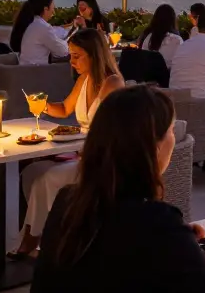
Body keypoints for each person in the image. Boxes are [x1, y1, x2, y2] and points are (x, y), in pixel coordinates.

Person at [26, 85, 205, 293]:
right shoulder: (154, 221)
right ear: (155, 146)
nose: (174, 137)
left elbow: (114, 262)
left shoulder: (67, 201)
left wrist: (177, 244)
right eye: (171, 130)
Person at [11, 28, 126, 258]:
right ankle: (47, 235)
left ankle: (33, 241)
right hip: (84, 154)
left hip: (103, 162)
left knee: (46, 179)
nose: (71, 61)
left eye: (76, 55)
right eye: (71, 54)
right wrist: (41, 104)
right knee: (32, 172)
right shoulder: (85, 79)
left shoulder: (112, 83)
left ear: (94, 54)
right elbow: (64, 109)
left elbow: (110, 129)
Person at [10, 0, 70, 65]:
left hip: (25, 70)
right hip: (36, 72)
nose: (53, 12)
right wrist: (68, 41)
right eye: (52, 9)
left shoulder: (32, 23)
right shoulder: (42, 27)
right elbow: (62, 51)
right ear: (45, 9)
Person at [138, 4, 183, 69]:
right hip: (168, 77)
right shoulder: (176, 40)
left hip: (147, 76)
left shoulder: (147, 37)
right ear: (172, 20)